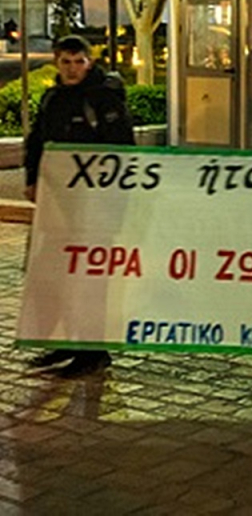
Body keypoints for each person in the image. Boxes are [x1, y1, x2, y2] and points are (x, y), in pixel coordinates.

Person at [24, 35, 135, 378]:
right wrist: (31, 180)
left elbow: (122, 151)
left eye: (79, 62)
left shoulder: (104, 99)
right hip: (59, 207)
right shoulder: (52, 98)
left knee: (89, 280)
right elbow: (37, 143)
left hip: (95, 208)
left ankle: (93, 352)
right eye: (66, 62)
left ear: (89, 62)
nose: (72, 69)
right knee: (58, 276)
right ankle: (67, 342)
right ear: (56, 62)